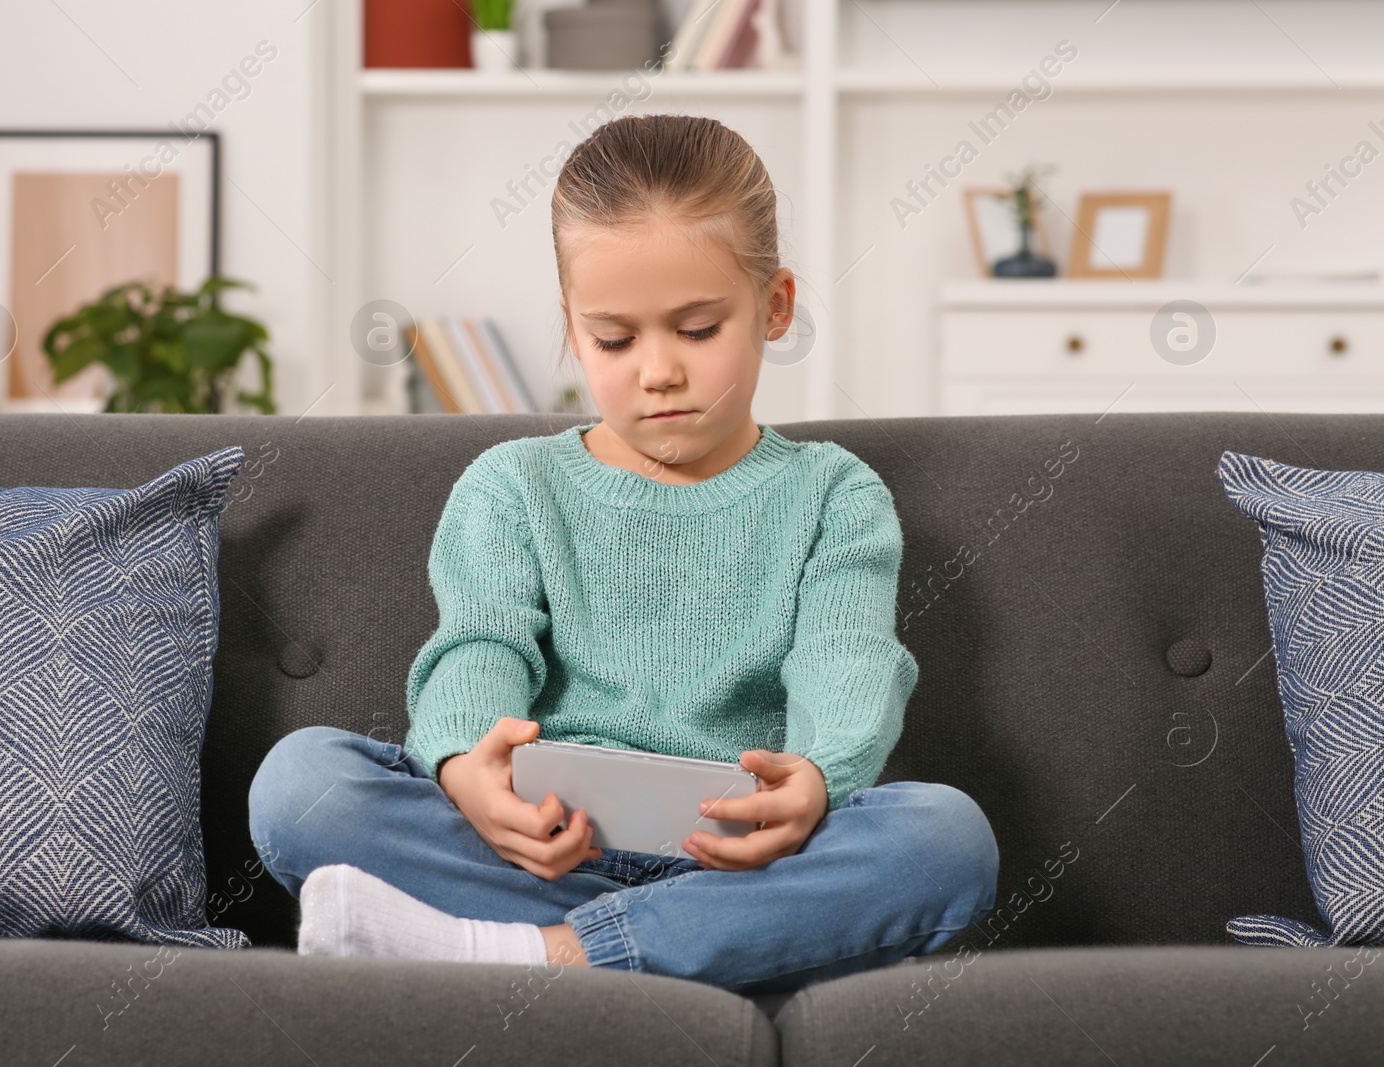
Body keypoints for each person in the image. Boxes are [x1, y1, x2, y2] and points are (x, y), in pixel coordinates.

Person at [248, 113, 998, 995]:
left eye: (696, 328)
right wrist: (469, 771)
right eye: (614, 338)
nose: (658, 371)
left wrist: (819, 782)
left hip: (744, 864)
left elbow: (850, 660)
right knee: (300, 783)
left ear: (777, 307)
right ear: (572, 327)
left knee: (946, 838)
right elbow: (478, 648)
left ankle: (540, 958)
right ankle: (698, 953)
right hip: (539, 853)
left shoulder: (836, 494)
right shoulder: (512, 484)